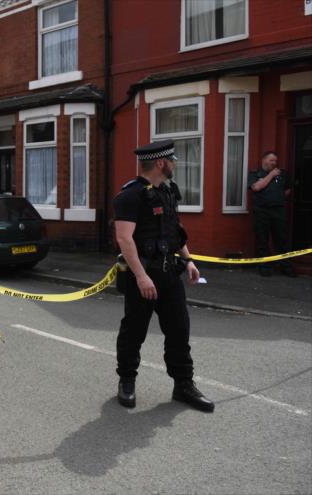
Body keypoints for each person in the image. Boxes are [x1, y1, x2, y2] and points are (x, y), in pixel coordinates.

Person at [112, 139, 214, 413]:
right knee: (134, 331)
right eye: (171, 161)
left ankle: (183, 384)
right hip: (142, 276)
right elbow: (124, 239)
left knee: (179, 330)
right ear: (160, 163)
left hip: (170, 275)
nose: (174, 166)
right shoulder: (129, 196)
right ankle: (127, 380)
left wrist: (189, 260)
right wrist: (142, 277)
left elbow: (175, 232)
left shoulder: (166, 193)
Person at [248, 151, 296, 277]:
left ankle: (285, 266)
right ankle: (265, 267)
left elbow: (288, 190)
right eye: (272, 160)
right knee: (262, 240)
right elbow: (256, 187)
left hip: (278, 211)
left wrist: (277, 198)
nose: (274, 163)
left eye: (275, 161)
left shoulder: (282, 174)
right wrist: (271, 175)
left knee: (281, 240)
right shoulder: (255, 173)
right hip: (262, 211)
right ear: (264, 160)